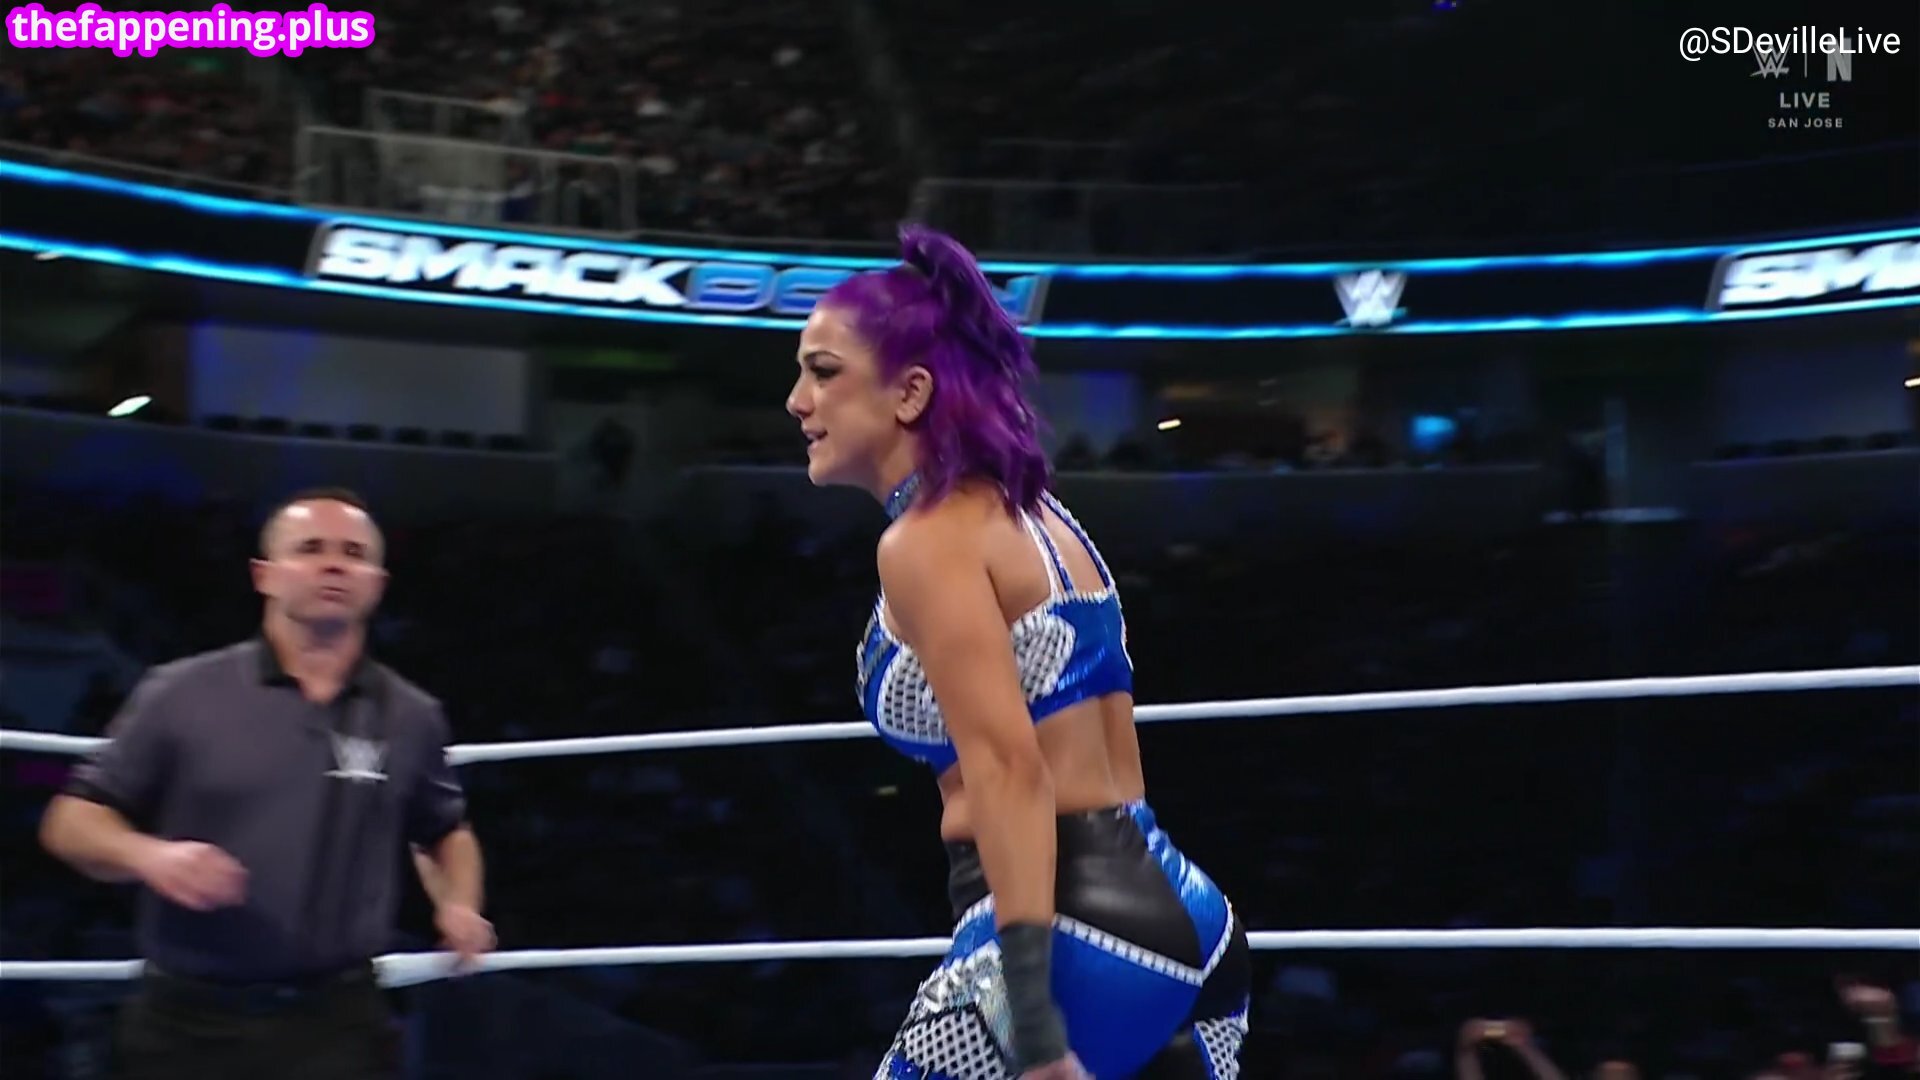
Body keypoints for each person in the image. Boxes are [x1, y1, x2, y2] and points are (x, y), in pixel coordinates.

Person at [786, 225, 1250, 1079]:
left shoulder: (926, 541)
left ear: (910, 393)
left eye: (823, 372)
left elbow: (1008, 769)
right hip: (1190, 919)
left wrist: (1035, 1028)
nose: (796, 401)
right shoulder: (1039, 515)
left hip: (1076, 936)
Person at [39, 487, 494, 1079]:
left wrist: (459, 905)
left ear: (377, 583)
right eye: (310, 548)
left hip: (341, 1023)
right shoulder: (181, 692)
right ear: (265, 575)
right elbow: (71, 820)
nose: (334, 565)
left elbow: (445, 829)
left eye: (353, 553)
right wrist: (147, 855)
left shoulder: (411, 715)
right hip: (188, 1021)